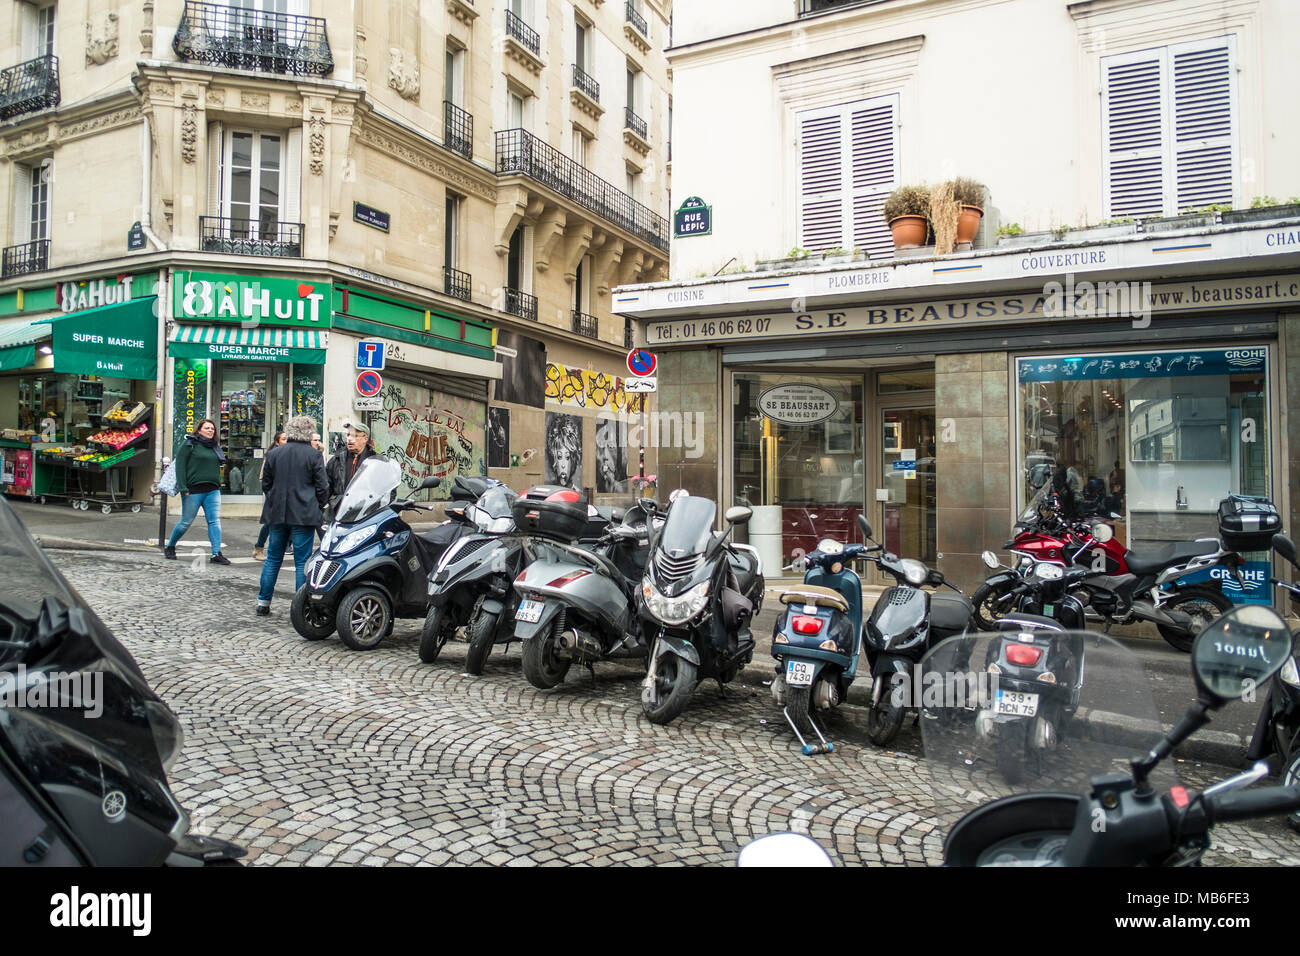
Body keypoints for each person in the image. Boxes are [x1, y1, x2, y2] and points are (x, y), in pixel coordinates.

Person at [256, 415, 330, 616]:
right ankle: (300, 607)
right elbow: (322, 486)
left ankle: (263, 602)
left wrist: (274, 498)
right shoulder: (313, 455)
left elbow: (266, 484)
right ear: (309, 432)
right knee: (302, 560)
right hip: (304, 513)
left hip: (277, 511)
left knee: (273, 557)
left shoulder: (275, 453)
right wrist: (319, 504)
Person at [164, 419, 230, 564]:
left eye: (212, 428)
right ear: (199, 430)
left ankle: (216, 553)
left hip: (212, 490)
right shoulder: (190, 444)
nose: (210, 430)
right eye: (207, 428)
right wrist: (183, 488)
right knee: (186, 522)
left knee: (214, 521)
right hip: (193, 490)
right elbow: (180, 467)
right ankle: (170, 546)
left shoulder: (215, 447)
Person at [326, 422, 378, 517]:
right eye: (348, 435)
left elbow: (387, 490)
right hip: (339, 513)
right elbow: (326, 487)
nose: (350, 439)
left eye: (355, 436)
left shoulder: (375, 461)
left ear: (365, 439)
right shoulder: (336, 460)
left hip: (364, 514)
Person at [252, 430, 288, 561]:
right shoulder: (271, 456)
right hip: (274, 494)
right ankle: (259, 548)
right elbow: (264, 477)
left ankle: (285, 547)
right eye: (284, 439)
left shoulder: (291, 455)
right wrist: (271, 494)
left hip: (286, 495)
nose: (287, 441)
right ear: (277, 442)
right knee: (269, 522)